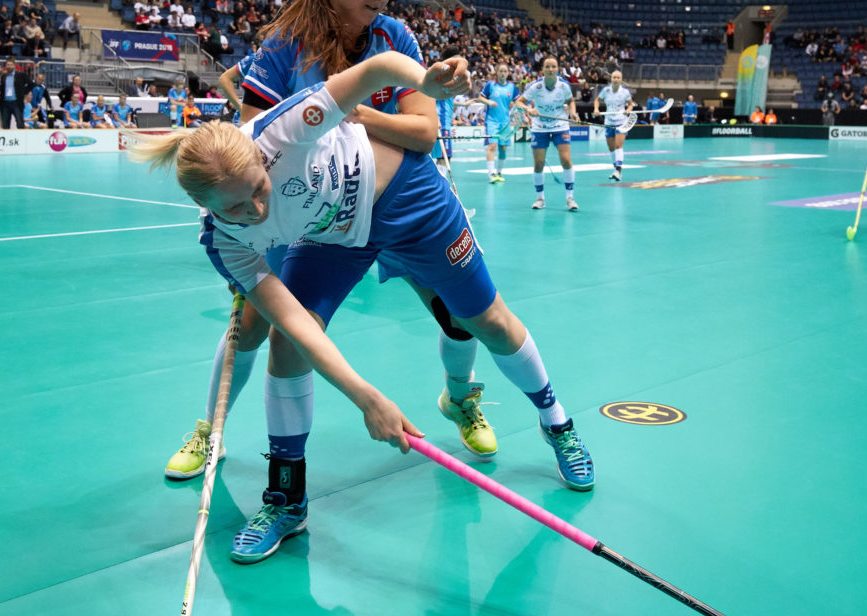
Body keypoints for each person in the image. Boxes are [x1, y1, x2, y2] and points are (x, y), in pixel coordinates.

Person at [134, 49, 596, 566]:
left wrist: (427, 82)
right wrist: (365, 396)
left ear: (261, 160)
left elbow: (376, 70)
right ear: (210, 209)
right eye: (238, 208)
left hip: (409, 198)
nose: (258, 210)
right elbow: (291, 322)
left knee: (486, 320)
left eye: (260, 190)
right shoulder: (226, 242)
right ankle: (287, 497)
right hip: (335, 236)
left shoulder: (284, 130)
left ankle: (557, 424)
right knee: (288, 341)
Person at [161, 0, 505, 559]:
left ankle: (461, 400)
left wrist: (370, 104)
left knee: (463, 317)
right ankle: (213, 432)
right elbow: (251, 131)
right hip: (304, 207)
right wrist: (260, 202)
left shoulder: (391, 36)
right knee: (257, 327)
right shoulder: (287, 43)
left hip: (400, 196)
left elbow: (421, 132)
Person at [516, 57, 579, 210]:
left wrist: (573, 113)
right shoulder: (535, 86)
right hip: (540, 127)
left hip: (560, 125)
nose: (550, 69)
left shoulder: (564, 86)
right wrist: (530, 110)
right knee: (538, 163)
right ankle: (540, 198)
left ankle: (570, 198)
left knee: (565, 160)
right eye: (547, 67)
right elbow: (519, 102)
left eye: (553, 66)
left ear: (558, 69)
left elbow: (571, 101)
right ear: (543, 70)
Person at [477, 62, 518, 183]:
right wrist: (489, 102)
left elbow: (518, 102)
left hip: (505, 123)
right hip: (492, 121)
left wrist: (522, 114)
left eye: (505, 71)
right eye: (501, 71)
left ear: (508, 73)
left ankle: (499, 172)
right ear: (497, 72)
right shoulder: (490, 85)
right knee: (492, 146)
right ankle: (492, 174)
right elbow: (480, 97)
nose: (503, 73)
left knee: (503, 148)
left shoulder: (512, 87)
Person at [592, 70, 633, 181]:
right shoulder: (606, 90)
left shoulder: (625, 92)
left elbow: (630, 105)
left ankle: (619, 170)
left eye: (618, 78)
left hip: (621, 121)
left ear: (621, 79)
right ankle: (616, 169)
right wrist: (596, 109)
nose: (616, 79)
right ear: (611, 79)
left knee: (618, 145)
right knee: (611, 148)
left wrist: (628, 110)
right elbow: (597, 100)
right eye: (614, 77)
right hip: (609, 122)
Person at [0, 59, 32, 129]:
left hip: (16, 102)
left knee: (20, 123)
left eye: (11, 65)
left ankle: (21, 138)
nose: (9, 66)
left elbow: (31, 84)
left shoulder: (21, 74)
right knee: (5, 124)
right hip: (5, 103)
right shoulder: (4, 76)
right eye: (7, 65)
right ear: (5, 66)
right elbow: (2, 89)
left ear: (14, 66)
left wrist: (24, 92)